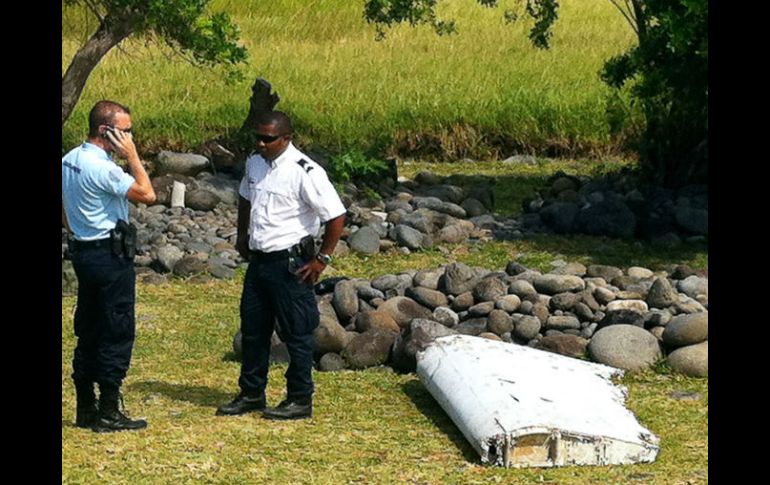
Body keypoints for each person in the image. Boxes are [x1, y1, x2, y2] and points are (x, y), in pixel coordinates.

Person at [216, 111, 345, 420]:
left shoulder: (306, 171)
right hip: (260, 262)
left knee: (297, 332)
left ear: (286, 138)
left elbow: (336, 215)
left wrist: (322, 259)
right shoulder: (255, 163)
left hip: (291, 263)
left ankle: (300, 398)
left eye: (268, 139)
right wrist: (243, 234)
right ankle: (251, 393)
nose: (261, 143)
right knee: (253, 330)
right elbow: (246, 197)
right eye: (257, 137)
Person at [62, 100, 156, 432]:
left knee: (88, 328)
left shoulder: (70, 159)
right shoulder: (104, 168)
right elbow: (147, 194)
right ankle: (108, 409)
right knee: (116, 329)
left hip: (84, 253)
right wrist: (132, 157)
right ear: (107, 131)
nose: (131, 138)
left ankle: (85, 406)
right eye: (126, 132)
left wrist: (75, 229)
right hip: (109, 256)